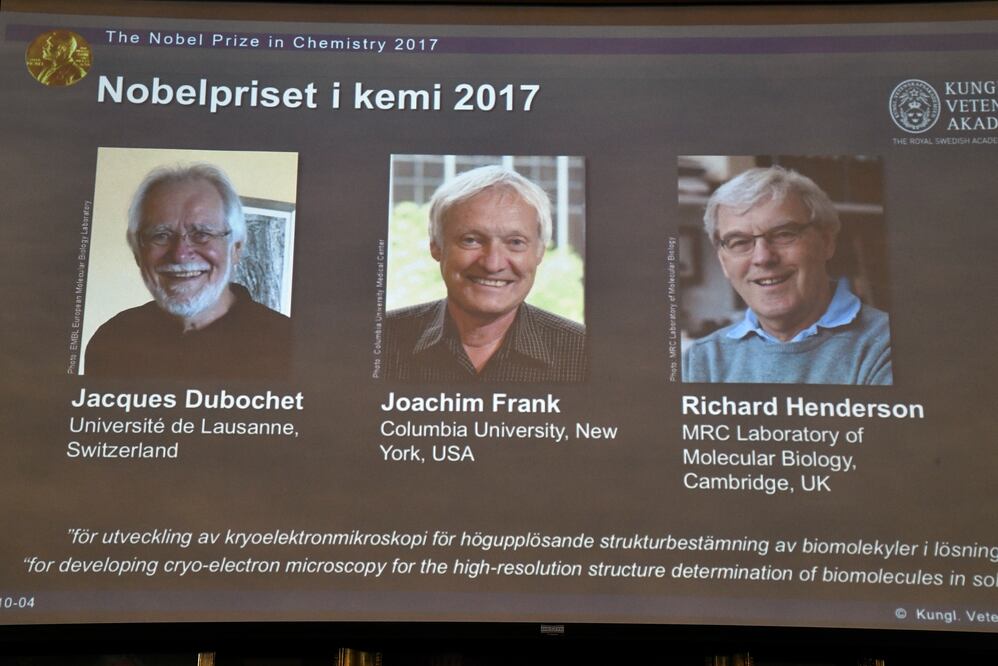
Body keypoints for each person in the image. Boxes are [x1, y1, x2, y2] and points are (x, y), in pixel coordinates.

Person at [683, 165, 892, 385]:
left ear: (827, 242)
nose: (763, 258)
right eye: (740, 242)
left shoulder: (887, 345)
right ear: (723, 262)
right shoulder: (700, 359)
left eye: (784, 234)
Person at [85, 164, 291, 379]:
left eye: (202, 233)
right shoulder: (112, 340)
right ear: (137, 250)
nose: (180, 255)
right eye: (161, 235)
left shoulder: (289, 345)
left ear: (236, 248)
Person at [384, 165, 586, 382]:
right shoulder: (379, 340)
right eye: (471, 240)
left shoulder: (585, 352)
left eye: (515, 242)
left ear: (539, 252)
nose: (492, 264)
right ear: (436, 247)